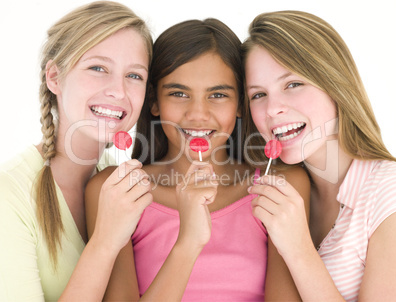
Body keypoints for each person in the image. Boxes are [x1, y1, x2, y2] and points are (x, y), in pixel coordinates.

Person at [86, 18, 310, 301]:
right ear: (154, 101)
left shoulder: (280, 185)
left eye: (217, 95)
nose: (198, 114)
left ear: (241, 104)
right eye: (179, 93)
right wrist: (189, 241)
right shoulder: (114, 189)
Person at [243, 10, 396, 302]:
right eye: (258, 94)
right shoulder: (274, 190)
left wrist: (298, 248)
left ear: (335, 83)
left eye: (292, 84)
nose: (272, 109)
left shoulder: (391, 194)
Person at [0, 1, 153, 301]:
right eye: (98, 68)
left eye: (134, 75)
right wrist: (106, 241)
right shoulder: (8, 195)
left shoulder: (119, 178)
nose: (119, 91)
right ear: (55, 77)